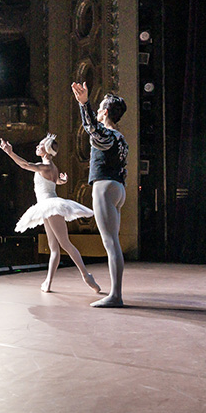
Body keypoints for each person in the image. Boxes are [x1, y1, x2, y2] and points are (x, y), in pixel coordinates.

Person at [0, 134, 101, 294]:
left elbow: (25, 165)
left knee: (64, 244)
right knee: (54, 248)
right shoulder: (52, 167)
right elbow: (52, 182)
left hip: (50, 205)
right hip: (47, 206)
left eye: (40, 146)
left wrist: (10, 152)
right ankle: (48, 282)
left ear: (46, 151)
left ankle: (86, 276)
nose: (37, 147)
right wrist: (62, 181)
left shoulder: (44, 166)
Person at [71, 82, 129, 307]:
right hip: (118, 189)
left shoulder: (106, 134)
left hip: (105, 187)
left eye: (99, 108)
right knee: (113, 242)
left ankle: (116, 295)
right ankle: (116, 293)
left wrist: (84, 103)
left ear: (104, 111)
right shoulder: (120, 137)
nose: (97, 111)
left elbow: (91, 127)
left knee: (110, 243)